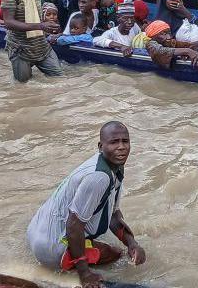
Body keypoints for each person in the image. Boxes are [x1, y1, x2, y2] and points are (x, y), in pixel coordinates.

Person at [26, 121, 146, 288]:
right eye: (114, 142)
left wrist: (132, 243)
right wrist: (85, 274)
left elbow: (113, 215)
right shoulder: (99, 177)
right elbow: (73, 225)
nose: (121, 147)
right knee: (115, 254)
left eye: (125, 141)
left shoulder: (113, 166)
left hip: (36, 231)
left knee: (121, 247)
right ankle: (69, 265)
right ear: (100, 146)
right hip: (50, 248)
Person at [3, 0, 63, 82]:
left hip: (41, 44)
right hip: (21, 47)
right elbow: (8, 22)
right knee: (23, 86)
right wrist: (41, 25)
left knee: (60, 79)